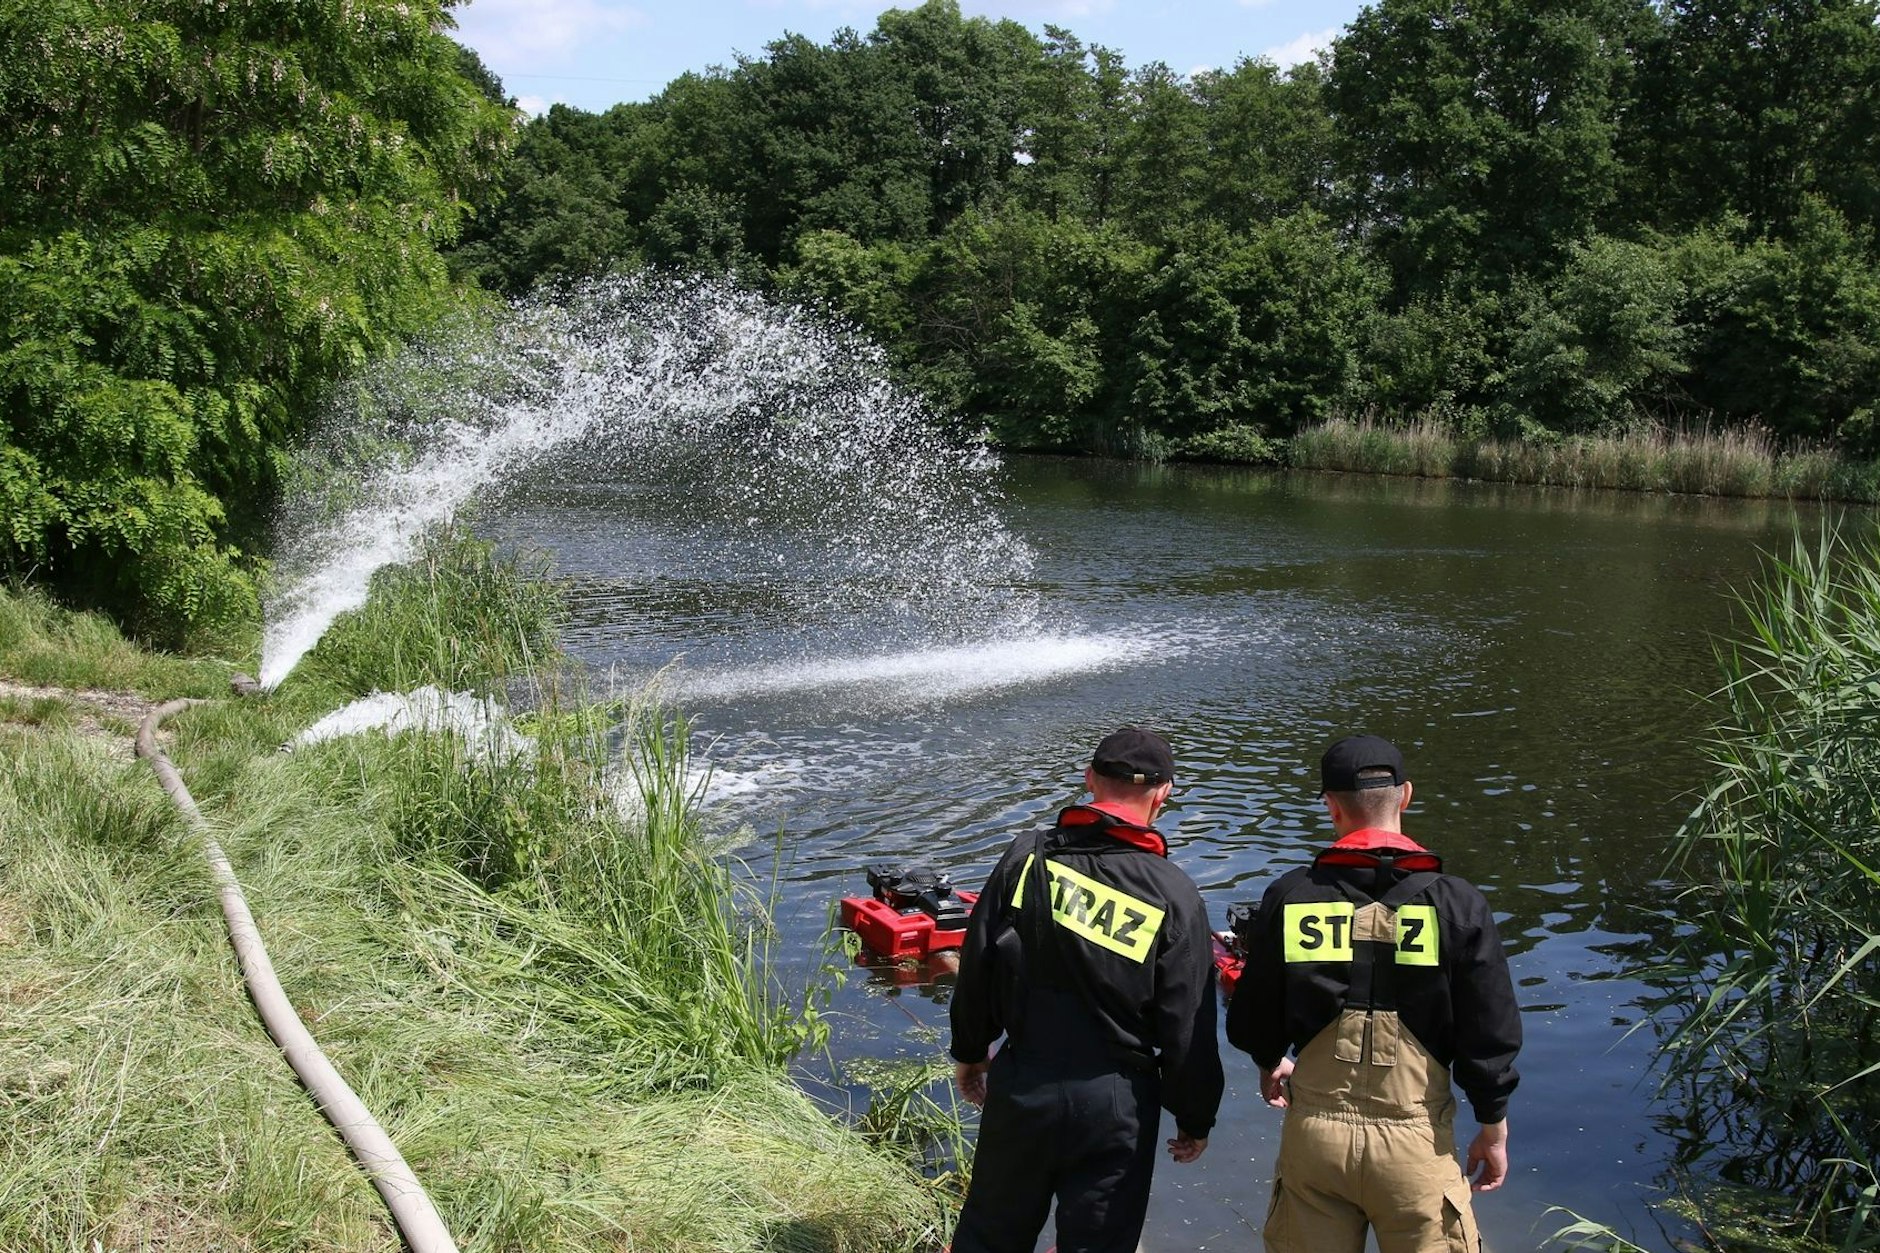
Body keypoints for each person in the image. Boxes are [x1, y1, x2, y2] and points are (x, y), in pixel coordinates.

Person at [1226, 734, 1521, 1253]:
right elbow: (1489, 1032)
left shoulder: (1292, 896)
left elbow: (1250, 1018)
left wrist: (1270, 1059)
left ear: (1330, 805)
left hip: (1315, 1139)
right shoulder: (1457, 904)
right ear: (1405, 796)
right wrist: (1492, 1127)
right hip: (1417, 1144)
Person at [948, 727, 1224, 1253]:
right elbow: (1188, 1027)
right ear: (1164, 793)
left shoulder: (1028, 856)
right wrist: (1194, 1116)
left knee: (989, 1237)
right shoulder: (1173, 893)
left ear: (1089, 779)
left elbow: (979, 962)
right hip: (1117, 1100)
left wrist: (970, 1052)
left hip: (1025, 1079)